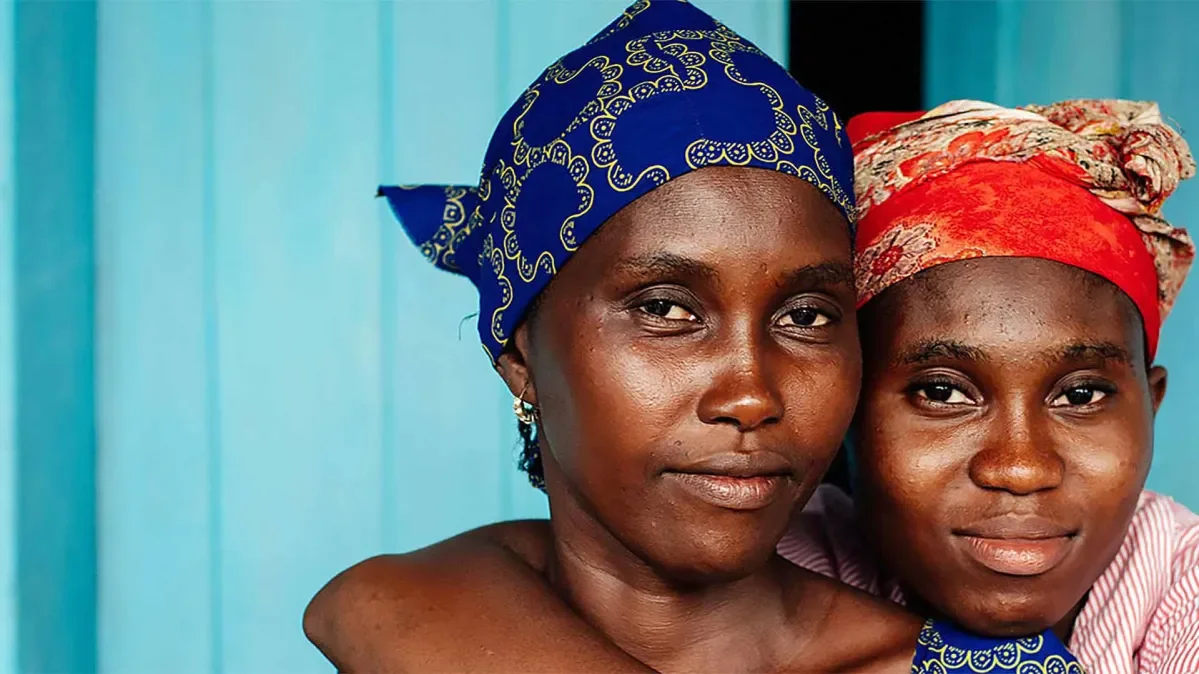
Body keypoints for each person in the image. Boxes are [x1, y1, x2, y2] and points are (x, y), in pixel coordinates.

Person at [305, 2, 1087, 671]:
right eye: (665, 308)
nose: (750, 393)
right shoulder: (424, 606)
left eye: (807, 316)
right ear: (518, 355)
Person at [779, 99, 1199, 673]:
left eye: (1080, 396)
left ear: (1152, 406)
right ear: (843, 405)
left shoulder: (1184, 586)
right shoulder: (778, 563)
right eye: (944, 393)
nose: (1021, 468)